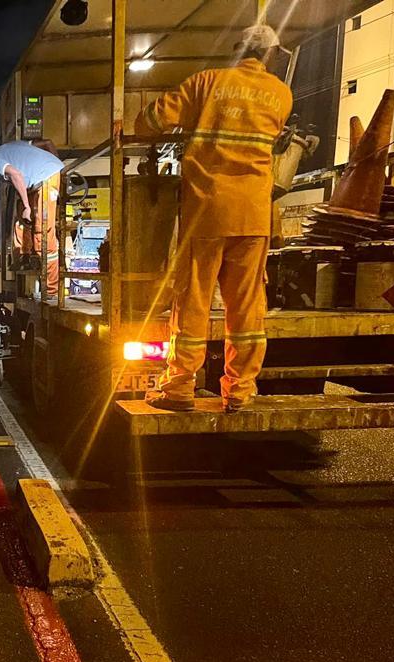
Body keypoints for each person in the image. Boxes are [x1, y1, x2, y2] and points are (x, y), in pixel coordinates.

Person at [135, 24, 292, 413]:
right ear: (269, 55)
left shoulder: (205, 83)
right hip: (254, 214)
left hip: (206, 211)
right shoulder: (280, 93)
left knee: (193, 301)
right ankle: (239, 391)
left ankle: (179, 389)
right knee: (247, 307)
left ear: (237, 49)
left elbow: (150, 123)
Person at [0, 140, 65, 296]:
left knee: (43, 234)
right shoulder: (8, 147)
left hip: (46, 178)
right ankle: (24, 258)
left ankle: (51, 291)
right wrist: (57, 161)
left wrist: (27, 206)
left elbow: (16, 174)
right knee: (20, 222)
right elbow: (45, 142)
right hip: (41, 179)